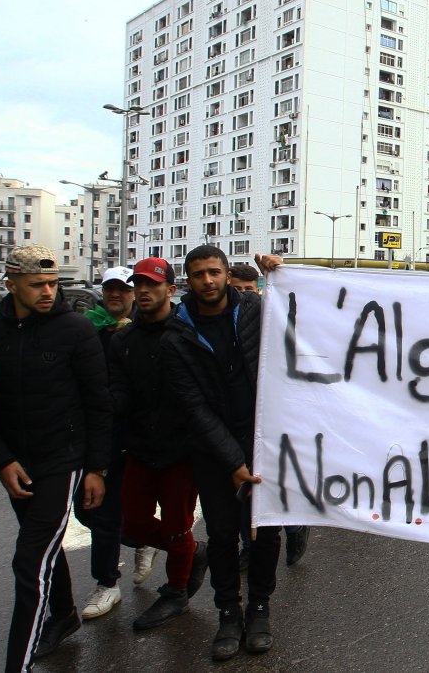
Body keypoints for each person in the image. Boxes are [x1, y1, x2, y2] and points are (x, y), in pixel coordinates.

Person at [0, 245, 112, 673]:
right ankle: (64, 615)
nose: (47, 291)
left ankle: (16, 665)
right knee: (46, 550)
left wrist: (96, 468)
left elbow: (98, 402)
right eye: (37, 283)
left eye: (53, 283)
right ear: (11, 284)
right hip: (18, 463)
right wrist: (1, 461)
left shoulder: (75, 330)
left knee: (29, 561)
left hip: (65, 458)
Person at [160, 247, 282, 660]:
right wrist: (233, 462)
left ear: (228, 275)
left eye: (215, 272)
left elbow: (301, 314)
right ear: (187, 281)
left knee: (267, 531)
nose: (208, 281)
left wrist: (282, 274)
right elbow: (191, 405)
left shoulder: (253, 309)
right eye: (198, 275)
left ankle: (260, 608)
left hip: (263, 440)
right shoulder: (177, 331)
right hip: (212, 450)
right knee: (223, 534)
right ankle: (228, 613)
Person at [111, 257, 209, 630]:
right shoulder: (124, 340)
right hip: (139, 448)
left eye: (152, 284)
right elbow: (117, 390)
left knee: (175, 526)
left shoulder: (188, 334)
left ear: (170, 290)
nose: (144, 291)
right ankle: (192, 553)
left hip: (181, 452)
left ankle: (177, 592)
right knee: (133, 524)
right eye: (139, 285)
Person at [227, 265, 310, 569]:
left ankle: (295, 527)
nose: (243, 296)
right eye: (237, 289)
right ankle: (249, 545)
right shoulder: (220, 321)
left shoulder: (273, 316)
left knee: (276, 480)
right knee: (245, 487)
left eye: (249, 290)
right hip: (240, 418)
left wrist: (282, 273)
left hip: (274, 414)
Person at [75, 267, 146, 620]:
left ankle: (107, 583)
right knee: (84, 511)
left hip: (127, 434)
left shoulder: (143, 330)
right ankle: (142, 541)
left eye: (123, 289)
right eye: (110, 290)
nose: (116, 295)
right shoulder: (88, 328)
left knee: (103, 511)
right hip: (91, 430)